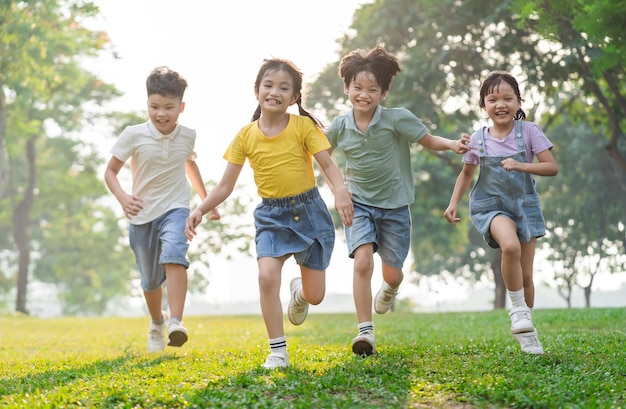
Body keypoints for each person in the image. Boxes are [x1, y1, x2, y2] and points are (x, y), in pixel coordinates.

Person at [185, 58, 353, 369]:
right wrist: (201, 208)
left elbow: (327, 165)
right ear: (256, 90)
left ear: (294, 97)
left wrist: (340, 192)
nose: (275, 92)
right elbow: (225, 185)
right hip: (271, 217)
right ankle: (278, 351)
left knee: (315, 296)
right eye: (269, 85)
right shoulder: (245, 135)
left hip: (310, 211)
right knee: (266, 277)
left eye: (284, 88)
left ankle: (299, 294)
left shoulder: (304, 127)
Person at [325, 45, 470, 357]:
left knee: (392, 273)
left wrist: (454, 144)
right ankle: (365, 332)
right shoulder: (339, 126)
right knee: (362, 262)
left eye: (372, 90)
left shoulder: (396, 120)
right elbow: (320, 157)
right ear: (347, 88)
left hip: (395, 207)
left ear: (383, 93)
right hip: (359, 205)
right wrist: (339, 190)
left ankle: (390, 288)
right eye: (357, 88)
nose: (363, 95)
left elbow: (428, 140)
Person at [104, 66, 219, 353]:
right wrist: (123, 198)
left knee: (175, 254)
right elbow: (110, 173)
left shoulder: (187, 135)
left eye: (169, 107)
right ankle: (157, 321)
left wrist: (207, 203)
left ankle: (176, 322)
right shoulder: (133, 134)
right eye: (155, 107)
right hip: (141, 215)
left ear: (181, 106)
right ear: (147, 104)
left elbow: (189, 164)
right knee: (150, 280)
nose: (161, 114)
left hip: (176, 208)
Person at [444, 71, 558, 355]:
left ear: (519, 102)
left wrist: (521, 166)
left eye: (508, 98)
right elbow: (467, 172)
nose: (500, 104)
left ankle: (527, 332)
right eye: (492, 99)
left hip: (524, 206)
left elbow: (551, 167)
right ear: (484, 106)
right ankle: (517, 311)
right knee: (509, 246)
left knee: (527, 276)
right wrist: (453, 202)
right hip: (491, 206)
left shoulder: (530, 132)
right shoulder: (477, 139)